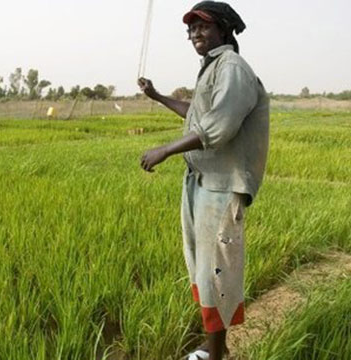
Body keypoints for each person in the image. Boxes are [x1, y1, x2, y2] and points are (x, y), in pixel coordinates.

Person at [137, 1, 269, 359]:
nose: (196, 33)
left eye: (204, 26)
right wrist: (158, 96)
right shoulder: (213, 69)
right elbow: (197, 114)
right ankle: (216, 350)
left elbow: (219, 125)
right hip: (202, 183)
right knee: (203, 269)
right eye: (191, 28)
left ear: (224, 30)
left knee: (215, 275)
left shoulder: (233, 69)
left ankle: (215, 356)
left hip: (222, 186)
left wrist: (166, 149)